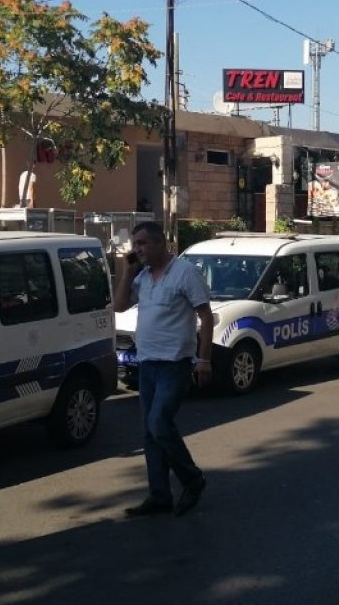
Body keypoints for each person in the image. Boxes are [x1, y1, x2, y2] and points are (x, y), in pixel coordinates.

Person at [113, 221, 213, 517]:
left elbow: (205, 318)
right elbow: (118, 306)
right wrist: (127, 271)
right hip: (147, 363)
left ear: (161, 243)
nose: (137, 249)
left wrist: (204, 360)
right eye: (135, 243)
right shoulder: (142, 277)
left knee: (159, 423)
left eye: (142, 243)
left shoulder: (184, 272)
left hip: (175, 364)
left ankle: (192, 479)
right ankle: (159, 496)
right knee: (149, 433)